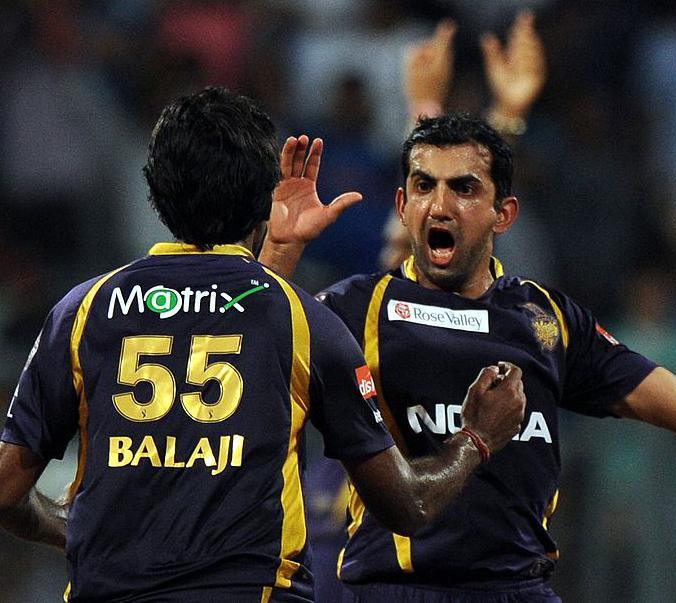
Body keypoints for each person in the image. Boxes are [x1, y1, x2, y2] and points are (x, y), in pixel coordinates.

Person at [259, 113, 676, 602]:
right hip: (395, 591)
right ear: (402, 206)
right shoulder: (353, 308)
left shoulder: (546, 320)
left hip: (519, 591)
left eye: (464, 189)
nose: (440, 205)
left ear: (505, 214)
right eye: (424, 186)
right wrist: (280, 254)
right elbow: (253, 367)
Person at [0, 87, 527, 603]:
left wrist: (75, 530)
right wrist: (477, 438)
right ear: (262, 200)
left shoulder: (83, 310)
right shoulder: (302, 320)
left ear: (155, 190)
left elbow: (6, 491)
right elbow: (407, 504)